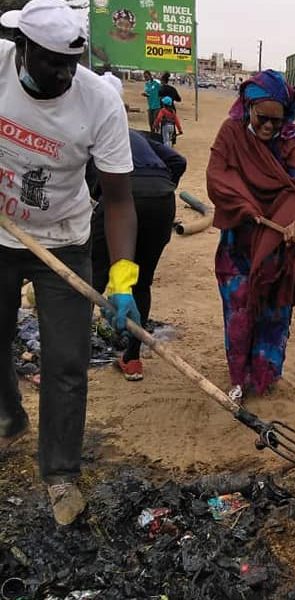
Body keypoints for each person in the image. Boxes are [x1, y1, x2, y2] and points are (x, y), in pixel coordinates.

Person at [0, 0, 139, 525]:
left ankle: (60, 473)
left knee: (66, 364)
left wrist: (122, 277)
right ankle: (8, 412)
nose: (63, 74)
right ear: (23, 47)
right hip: (0, 233)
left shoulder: (99, 101)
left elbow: (120, 201)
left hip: (63, 239)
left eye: (70, 63)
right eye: (51, 62)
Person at [206, 70, 295, 403]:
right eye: (262, 118)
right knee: (239, 310)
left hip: (277, 243)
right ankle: (239, 376)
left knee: (273, 310)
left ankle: (264, 375)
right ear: (247, 107)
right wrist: (244, 207)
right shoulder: (231, 133)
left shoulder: (291, 142)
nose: (269, 127)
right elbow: (217, 176)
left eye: (277, 120)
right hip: (239, 241)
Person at [89, 130, 186, 381]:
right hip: (162, 198)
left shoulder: (91, 132)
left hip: (122, 196)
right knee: (141, 282)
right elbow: (179, 162)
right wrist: (160, 189)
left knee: (92, 281)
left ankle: (65, 361)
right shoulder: (138, 136)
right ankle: (132, 360)